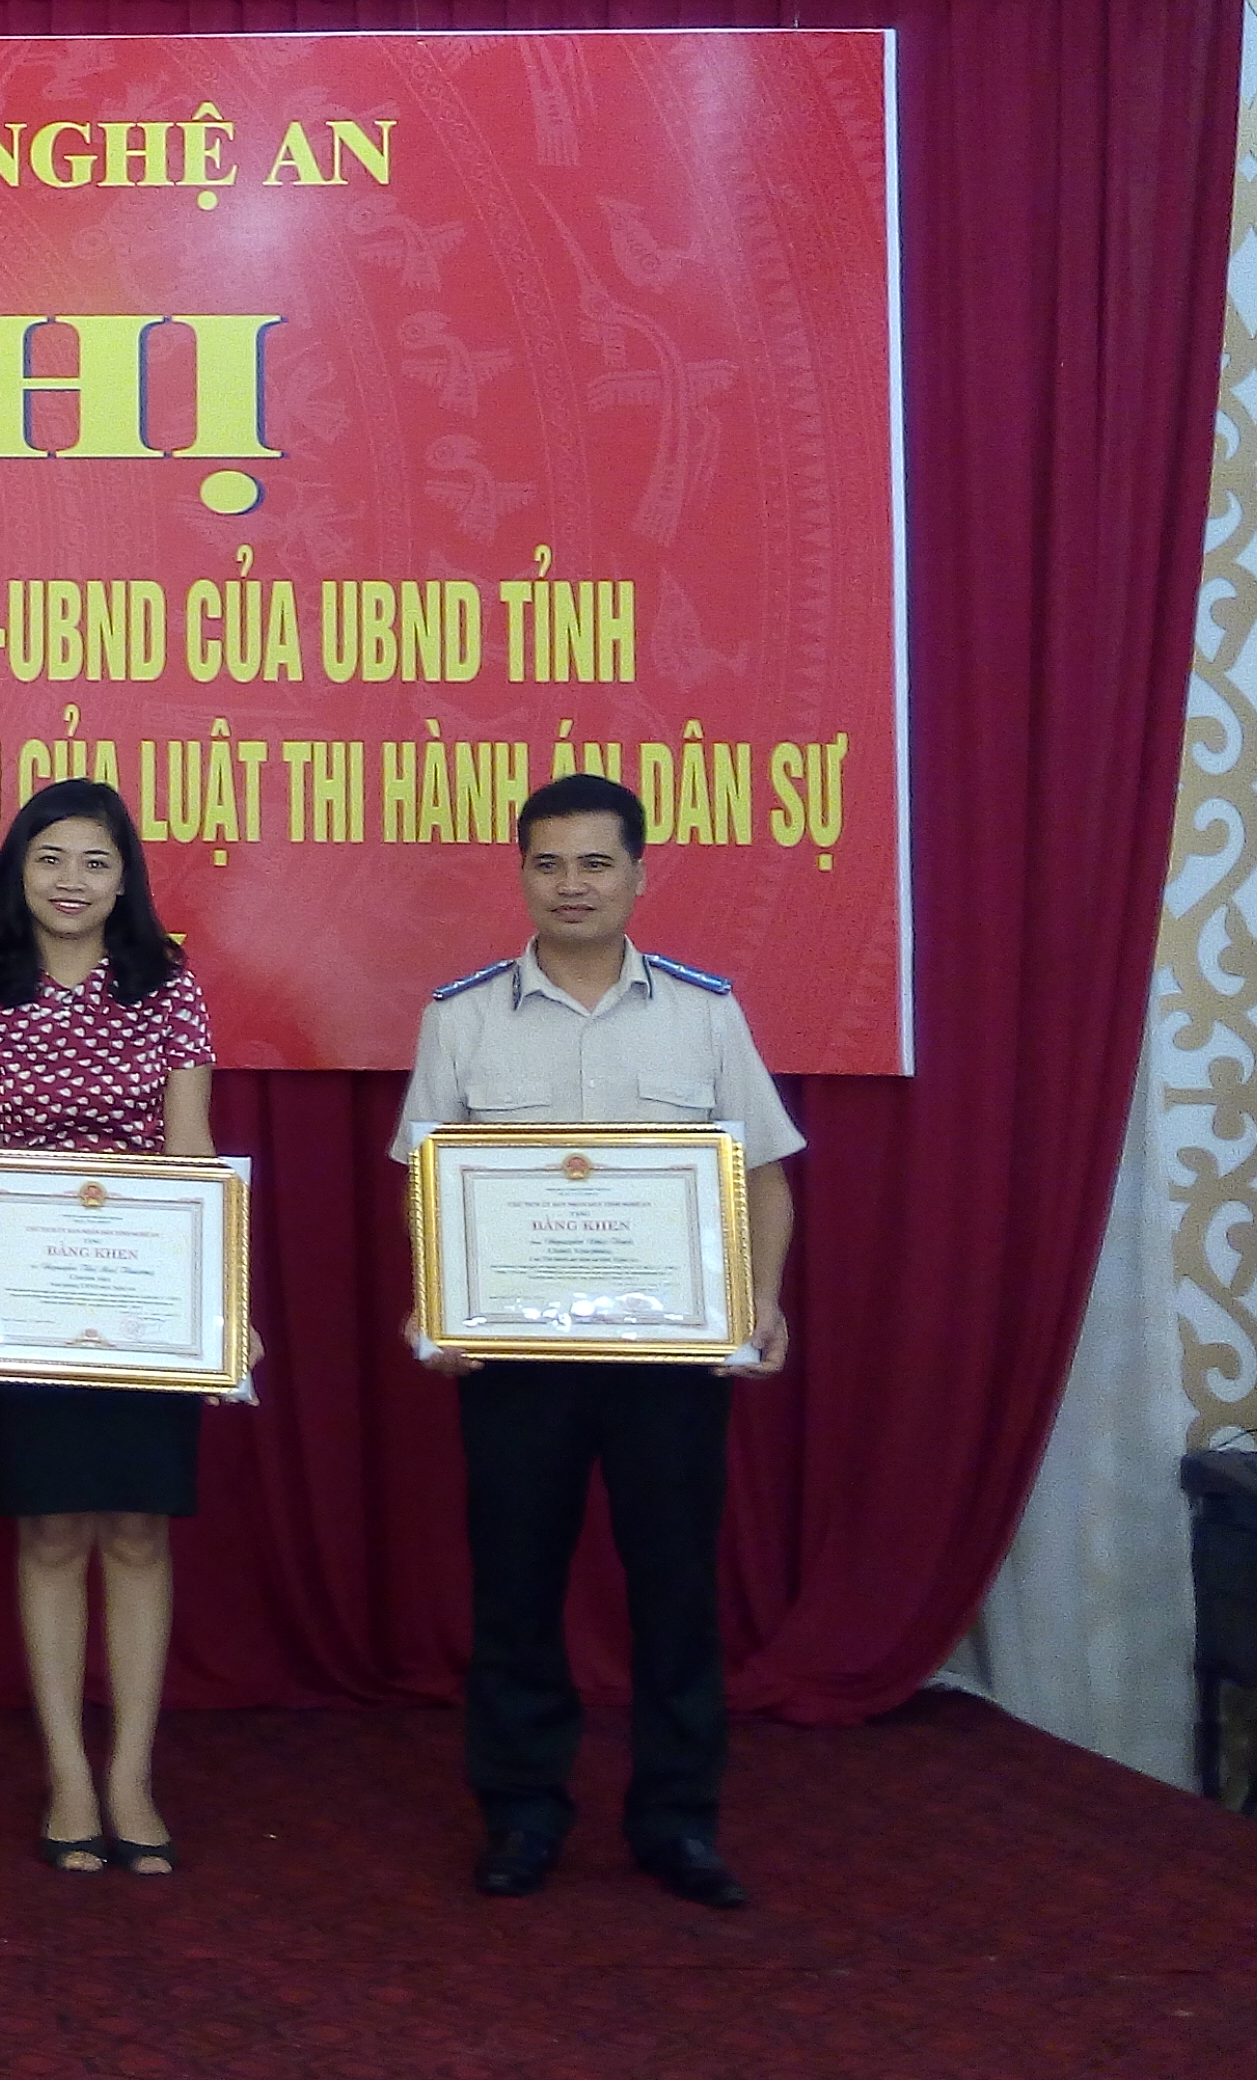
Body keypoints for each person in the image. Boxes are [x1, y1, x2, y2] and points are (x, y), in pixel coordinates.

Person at [400, 772, 798, 1912]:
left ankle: (678, 1822)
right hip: (515, 1360)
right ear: (520, 873)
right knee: (514, 1589)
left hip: (668, 1361)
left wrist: (761, 1302)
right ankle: (521, 1813)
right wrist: (436, 1304)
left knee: (675, 1589)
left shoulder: (703, 1013)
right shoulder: (462, 1016)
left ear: (637, 874)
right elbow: (425, 1182)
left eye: (593, 863)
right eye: (547, 863)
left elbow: (765, 1176)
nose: (569, 884)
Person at [0, 779, 219, 1878]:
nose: (70, 880)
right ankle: (66, 1773)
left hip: (148, 1301)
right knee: (51, 1533)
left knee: (137, 1532)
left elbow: (190, 1155)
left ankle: (131, 1774)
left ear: (123, 879)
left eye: (95, 861)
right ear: (17, 871)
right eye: (49, 857)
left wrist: (219, 1309)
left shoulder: (169, 987)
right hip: (29, 1303)